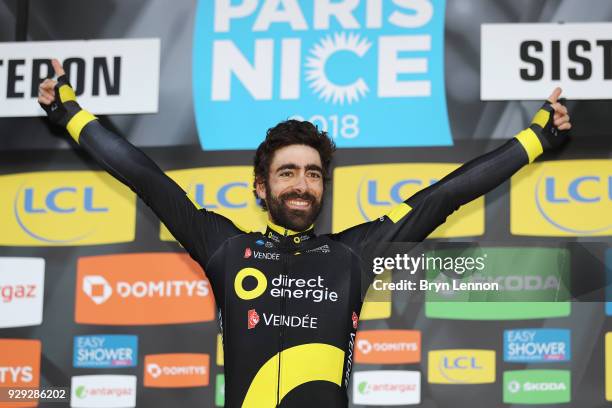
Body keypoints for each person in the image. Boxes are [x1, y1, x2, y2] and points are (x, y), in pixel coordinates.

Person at [38, 59, 571, 407]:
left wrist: (535, 138)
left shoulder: (355, 254)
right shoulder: (225, 246)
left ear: (323, 188)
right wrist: (69, 112)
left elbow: (444, 196)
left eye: (313, 174)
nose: (302, 184)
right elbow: (143, 177)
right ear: (261, 188)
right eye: (287, 172)